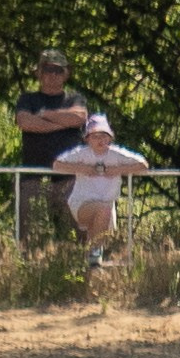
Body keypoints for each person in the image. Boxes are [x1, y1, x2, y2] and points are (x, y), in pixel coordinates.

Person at [12, 50, 90, 243]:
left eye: (58, 70)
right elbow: (25, 122)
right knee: (27, 231)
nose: (53, 74)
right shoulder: (27, 99)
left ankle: (79, 265)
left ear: (66, 74)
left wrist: (44, 114)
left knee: (75, 229)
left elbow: (79, 117)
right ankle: (27, 267)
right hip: (34, 175)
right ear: (39, 72)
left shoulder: (75, 99)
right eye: (48, 69)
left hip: (70, 177)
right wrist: (62, 123)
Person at [52, 114, 149, 267]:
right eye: (95, 136)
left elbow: (143, 165)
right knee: (103, 210)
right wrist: (82, 168)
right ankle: (95, 254)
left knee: (101, 218)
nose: (100, 140)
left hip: (106, 205)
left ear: (110, 138)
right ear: (88, 139)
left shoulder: (116, 154)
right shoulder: (81, 153)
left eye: (104, 136)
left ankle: (91, 268)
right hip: (82, 203)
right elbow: (57, 165)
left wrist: (118, 170)